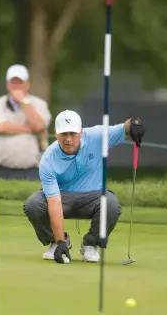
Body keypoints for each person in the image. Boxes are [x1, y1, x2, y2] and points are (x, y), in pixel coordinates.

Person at [23, 110, 145, 263]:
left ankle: (90, 244)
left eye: (73, 134)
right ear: (56, 133)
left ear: (81, 132)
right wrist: (60, 240)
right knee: (33, 204)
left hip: (93, 197)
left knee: (111, 203)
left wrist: (135, 123)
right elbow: (54, 203)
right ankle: (56, 242)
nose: (68, 139)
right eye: (64, 134)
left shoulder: (97, 136)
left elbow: (125, 127)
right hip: (61, 198)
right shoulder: (48, 159)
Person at [0, 64, 51, 180]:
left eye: (20, 82)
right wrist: (30, 129)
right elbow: (0, 128)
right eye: (13, 82)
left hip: (33, 170)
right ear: (7, 84)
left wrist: (24, 102)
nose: (16, 85)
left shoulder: (40, 104)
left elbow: (39, 126)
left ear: (27, 84)